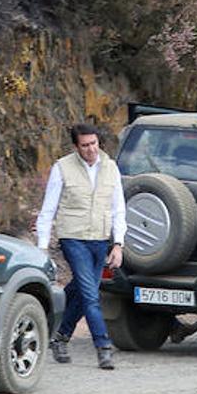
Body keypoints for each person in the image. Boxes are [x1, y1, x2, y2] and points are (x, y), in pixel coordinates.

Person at [35, 123, 126, 369]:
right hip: (73, 238)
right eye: (85, 145)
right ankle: (103, 346)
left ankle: (59, 336)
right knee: (90, 294)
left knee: (79, 290)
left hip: (100, 239)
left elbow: (118, 209)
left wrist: (118, 244)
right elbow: (48, 210)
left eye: (94, 144)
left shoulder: (111, 168)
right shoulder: (62, 168)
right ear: (76, 147)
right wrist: (42, 248)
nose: (90, 149)